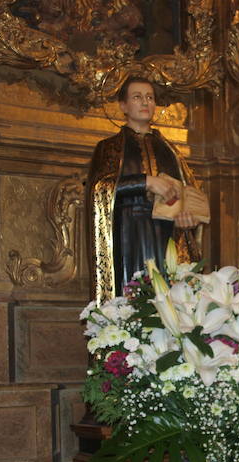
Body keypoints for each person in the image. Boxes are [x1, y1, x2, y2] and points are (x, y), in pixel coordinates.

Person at [87, 76, 208, 303]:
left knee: (170, 300)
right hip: (129, 233)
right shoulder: (109, 147)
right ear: (123, 106)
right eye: (137, 97)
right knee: (136, 297)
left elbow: (190, 195)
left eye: (150, 98)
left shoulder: (171, 151)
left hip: (167, 234)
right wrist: (145, 182)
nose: (145, 102)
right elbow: (99, 189)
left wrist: (189, 217)